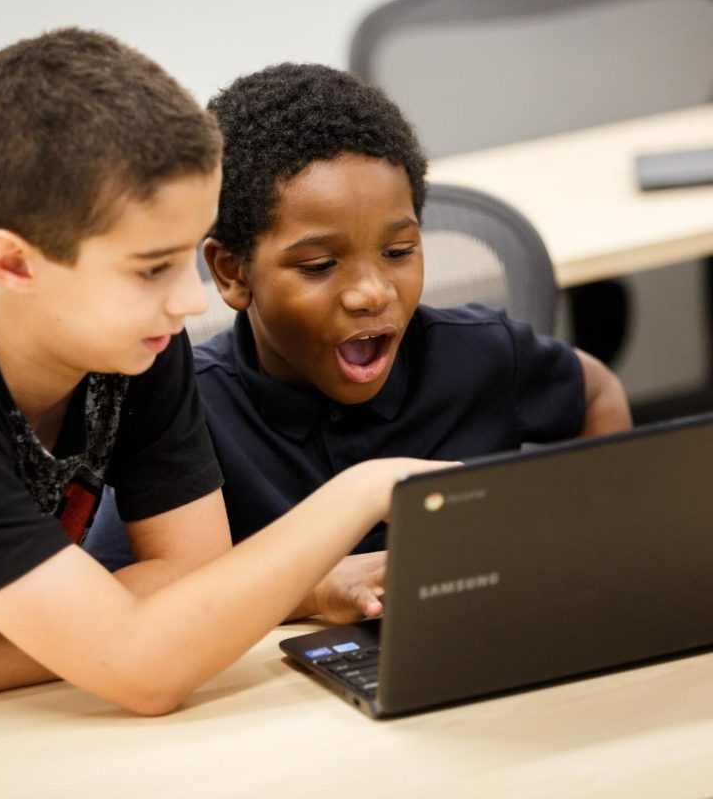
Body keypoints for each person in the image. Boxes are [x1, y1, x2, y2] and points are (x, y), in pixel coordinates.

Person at [0, 31, 448, 715]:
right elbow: (146, 667)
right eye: (151, 268)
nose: (192, 301)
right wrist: (366, 489)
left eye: (186, 260)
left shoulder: (135, 341)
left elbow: (191, 581)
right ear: (16, 264)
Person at [87, 62, 633, 619]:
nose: (371, 293)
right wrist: (308, 591)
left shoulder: (482, 355)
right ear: (232, 273)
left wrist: (594, 546)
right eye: (320, 265)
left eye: (398, 253)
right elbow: (126, 599)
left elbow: (597, 393)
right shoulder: (184, 414)